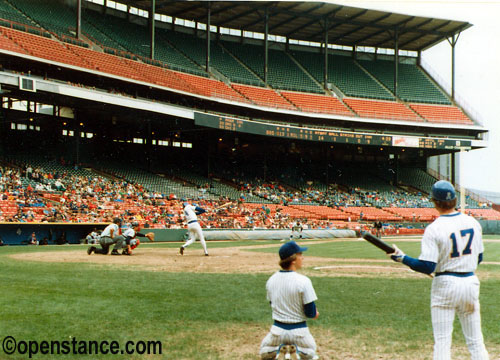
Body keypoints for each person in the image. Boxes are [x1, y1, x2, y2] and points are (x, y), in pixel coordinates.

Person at [388, 180, 489, 360]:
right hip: (470, 282)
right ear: (455, 199)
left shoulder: (434, 228)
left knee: (442, 342)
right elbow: (478, 257)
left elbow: (427, 266)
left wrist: (402, 258)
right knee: (476, 341)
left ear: (434, 201)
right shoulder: (473, 222)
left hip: (445, 285)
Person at [260, 241, 319, 360]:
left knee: (264, 351)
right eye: (300, 254)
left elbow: (272, 304)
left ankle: (279, 351)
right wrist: (315, 313)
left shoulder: (271, 280)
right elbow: (310, 313)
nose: (302, 257)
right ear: (293, 260)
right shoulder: (304, 281)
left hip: (277, 331)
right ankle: (297, 353)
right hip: (300, 332)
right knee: (311, 353)